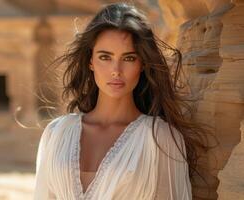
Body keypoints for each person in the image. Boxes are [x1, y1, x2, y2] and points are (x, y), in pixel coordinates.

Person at [33, 2, 211, 200]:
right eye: (105, 57)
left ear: (142, 64)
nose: (116, 70)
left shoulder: (159, 139)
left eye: (128, 58)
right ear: (90, 61)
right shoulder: (57, 133)